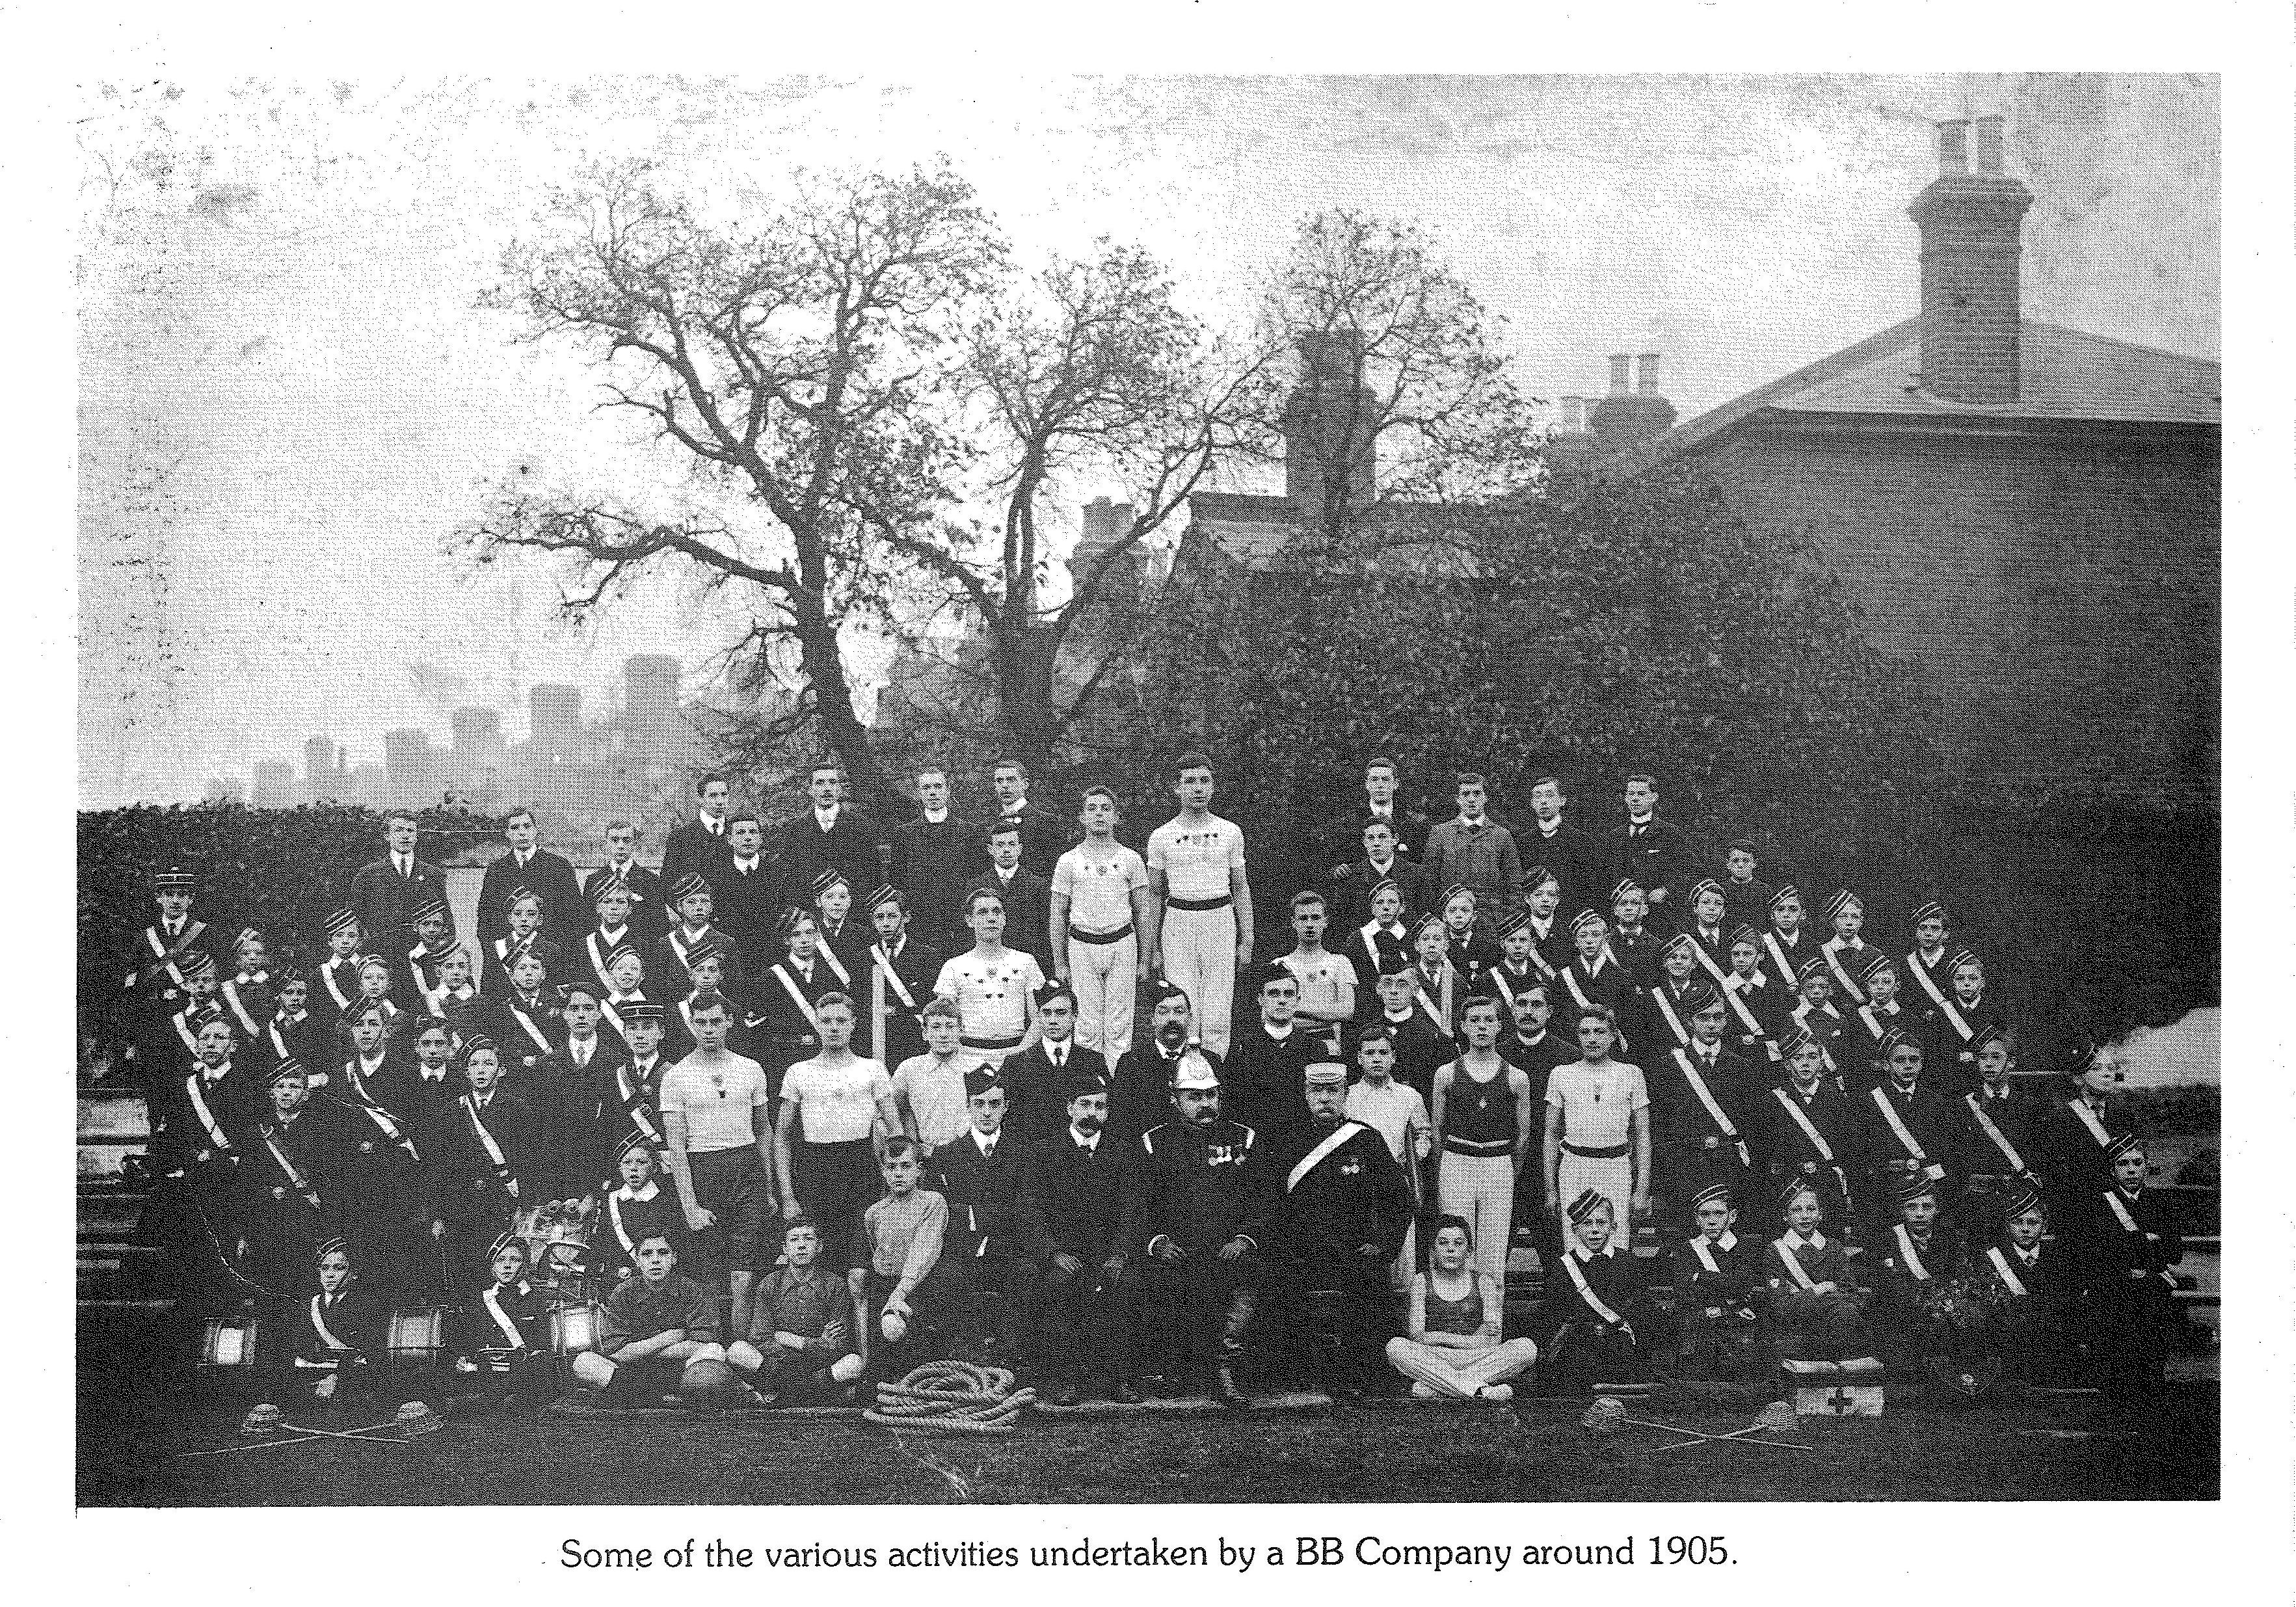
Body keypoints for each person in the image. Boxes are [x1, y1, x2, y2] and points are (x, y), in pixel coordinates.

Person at [1136, 1047, 1271, 1407]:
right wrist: (1156, 1238)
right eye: (1195, 1096)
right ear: (1176, 1096)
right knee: (1174, 1303)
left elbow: (1255, 1192)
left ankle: (1228, 1373)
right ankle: (1178, 1372)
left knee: (1234, 1304)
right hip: (1176, 1239)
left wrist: (1246, 1235)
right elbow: (1147, 1196)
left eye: (1212, 1093)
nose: (1206, 1104)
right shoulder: (1156, 1140)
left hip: (1227, 1238)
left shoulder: (1242, 1136)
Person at [1270, 1060, 1414, 1399]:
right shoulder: (1287, 1139)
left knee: (1364, 1318)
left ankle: (1366, 1385)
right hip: (1306, 1253)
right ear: (1305, 1094)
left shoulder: (1366, 1140)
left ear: (1347, 1093)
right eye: (1316, 1090)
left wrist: (1385, 1247)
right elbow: (1273, 1199)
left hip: (1359, 1254)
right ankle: (1303, 1382)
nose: (1325, 1099)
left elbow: (1397, 1197)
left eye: (1333, 1090)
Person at [1019, 1072, 1143, 1404]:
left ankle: (1110, 1380)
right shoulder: (1044, 1151)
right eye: (1083, 1103)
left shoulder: (1124, 1149)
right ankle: (1056, 1381)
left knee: (1118, 1302)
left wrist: (1119, 1252)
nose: (1091, 1112)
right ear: (1068, 1108)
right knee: (1056, 1305)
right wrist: (1056, 1252)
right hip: (1058, 1252)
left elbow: (1133, 1206)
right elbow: (1033, 1209)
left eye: (1100, 1105)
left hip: (1110, 1251)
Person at [660, 992, 777, 1336]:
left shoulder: (750, 1068)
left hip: (746, 1164)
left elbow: (765, 1131)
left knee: (751, 1255)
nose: (710, 1027)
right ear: (689, 1025)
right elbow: (677, 1141)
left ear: (730, 1021)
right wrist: (689, 1199)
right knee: (708, 1259)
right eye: (701, 1021)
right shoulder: (677, 1075)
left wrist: (774, 1185)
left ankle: (748, 1336)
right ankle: (709, 1341)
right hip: (701, 1168)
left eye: (717, 1019)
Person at [775, 993, 901, 1282]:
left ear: (853, 1025)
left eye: (840, 1020)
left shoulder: (872, 1069)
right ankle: (820, 1319)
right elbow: (785, 1127)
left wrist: (887, 1168)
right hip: (814, 1162)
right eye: (825, 1021)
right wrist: (786, 1181)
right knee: (815, 1248)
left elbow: (886, 1120)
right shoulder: (798, 1073)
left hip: (860, 1161)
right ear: (815, 1025)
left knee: (860, 1246)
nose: (833, 1027)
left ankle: (859, 1317)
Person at [1143, 751, 1253, 1060]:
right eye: (1190, 782)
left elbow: (1239, 885)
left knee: (1218, 1005)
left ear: (1213, 787)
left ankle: (1213, 1074)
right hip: (1178, 921)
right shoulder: (1162, 836)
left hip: (1219, 921)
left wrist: (1245, 936)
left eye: (1204, 782)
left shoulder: (1230, 832)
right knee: (1179, 1002)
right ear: (1178, 787)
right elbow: (1154, 894)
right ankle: (1178, 1074)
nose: (1198, 788)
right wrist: (1152, 943)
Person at [927, 1066, 1032, 1361]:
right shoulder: (946, 1155)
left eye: (996, 1104)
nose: (988, 1112)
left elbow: (1027, 1210)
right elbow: (938, 1214)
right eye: (979, 1105)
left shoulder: (1023, 1154)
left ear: (1006, 1106)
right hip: (958, 1253)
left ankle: (1011, 1365)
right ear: (967, 1106)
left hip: (1010, 1250)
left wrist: (998, 1239)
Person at [1430, 996, 1534, 1287]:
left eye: (1490, 1021)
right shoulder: (1446, 1073)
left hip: (1498, 1167)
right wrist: (1441, 1175)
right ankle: (1456, 1322)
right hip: (1456, 1164)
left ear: (1502, 1026)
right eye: (1474, 1021)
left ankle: (1492, 1326)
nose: (1481, 1029)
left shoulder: (1515, 1075)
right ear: (1461, 1025)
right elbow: (1438, 1127)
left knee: (1495, 1250)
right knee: (1454, 1243)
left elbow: (1523, 1133)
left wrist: (1512, 1174)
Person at [433, 1036, 549, 1291]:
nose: (482, 1071)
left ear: (501, 1069)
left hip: (514, 1200)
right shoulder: (451, 1109)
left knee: (513, 1267)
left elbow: (532, 1152)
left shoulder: (519, 1106)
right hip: (469, 1201)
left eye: (489, 1064)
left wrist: (521, 1187)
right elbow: (444, 1159)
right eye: (475, 1065)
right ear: (466, 1070)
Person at [1385, 1215, 1538, 1403]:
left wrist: (1442, 1339)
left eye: (1458, 1243)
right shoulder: (1422, 1281)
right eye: (1443, 1243)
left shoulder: (1484, 1283)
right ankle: (1480, 1389)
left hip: (1478, 1356)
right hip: (1435, 1356)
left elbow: (1493, 1337)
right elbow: (1416, 1334)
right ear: (1433, 1252)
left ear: (1469, 1251)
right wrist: (1463, 1343)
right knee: (1396, 1347)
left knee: (1526, 1348)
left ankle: (1441, 1386)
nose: (1450, 1249)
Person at [2075, 1133, 2183, 1395]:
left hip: (2152, 1289)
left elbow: (2173, 1246)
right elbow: (2096, 1248)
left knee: (2151, 1360)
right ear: (2113, 1168)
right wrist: (2145, 1243)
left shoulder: (2159, 1204)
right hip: (2115, 1289)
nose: (2133, 1171)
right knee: (2116, 1360)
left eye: (2138, 1163)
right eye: (2125, 1164)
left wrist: (2154, 1256)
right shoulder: (2100, 1203)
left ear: (2146, 1167)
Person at [1049, 785, 1152, 1060]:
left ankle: (1119, 1080)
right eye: (1092, 810)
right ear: (1082, 817)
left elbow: (1141, 908)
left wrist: (1143, 954)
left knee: (1122, 1016)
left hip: (1123, 944)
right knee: (1087, 1018)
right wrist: (1060, 959)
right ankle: (1090, 1086)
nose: (1099, 816)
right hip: (1082, 946)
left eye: (1106, 809)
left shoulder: (1131, 858)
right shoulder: (1068, 861)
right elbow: (1059, 912)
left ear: (1116, 815)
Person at [569, 1232, 730, 1406]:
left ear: (674, 1258)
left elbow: (704, 1338)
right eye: (647, 1254)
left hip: (679, 1366)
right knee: (584, 1361)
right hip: (635, 1370)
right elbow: (616, 1349)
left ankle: (637, 1395)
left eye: (663, 1253)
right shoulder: (623, 1292)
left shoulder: (694, 1290)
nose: (655, 1260)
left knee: (713, 1351)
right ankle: (651, 1393)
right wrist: (670, 1337)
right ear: (637, 1260)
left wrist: (644, 1348)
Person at [1540, 1004, 1651, 1253]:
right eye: (1586, 1032)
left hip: (1618, 1167)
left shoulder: (1632, 1075)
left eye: (1601, 1032)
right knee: (1575, 1247)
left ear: (1613, 1036)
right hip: (1574, 1166)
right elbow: (1551, 1135)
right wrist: (1550, 1186)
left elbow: (1642, 1136)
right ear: (1578, 1036)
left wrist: (1641, 1186)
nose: (1593, 1039)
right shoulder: (1561, 1074)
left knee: (1618, 1245)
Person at [234, 1056, 344, 1296]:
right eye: (279, 1087)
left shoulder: (322, 1128)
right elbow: (251, 1181)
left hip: (318, 1218)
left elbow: (337, 1174)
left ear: (304, 1091)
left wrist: (317, 1191)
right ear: (271, 1094)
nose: (285, 1092)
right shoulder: (261, 1134)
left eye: (293, 1086)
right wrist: (277, 1190)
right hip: (276, 1219)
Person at [728, 1217, 866, 1404]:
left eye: (808, 1238)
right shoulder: (770, 1283)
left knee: (854, 1363)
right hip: (776, 1362)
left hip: (818, 1363)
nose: (801, 1246)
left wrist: (799, 1342)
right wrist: (806, 1344)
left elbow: (837, 1342)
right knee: (739, 1350)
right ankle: (807, 1392)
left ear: (819, 1247)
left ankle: (783, 1391)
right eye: (794, 1240)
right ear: (785, 1249)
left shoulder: (834, 1283)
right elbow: (760, 1336)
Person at [1651, 993, 1756, 1232]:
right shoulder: (1671, 1063)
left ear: (1728, 1020)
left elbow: (1753, 1109)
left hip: (1736, 1156)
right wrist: (1698, 1139)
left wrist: (1742, 1140)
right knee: (1696, 1226)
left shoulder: (1744, 1058)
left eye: (1719, 1017)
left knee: (1740, 1222)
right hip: (1689, 1158)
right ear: (1688, 1021)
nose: (1711, 1024)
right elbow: (1665, 1115)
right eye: (1704, 1017)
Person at [1344, 1021, 1432, 1291]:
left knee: (1400, 1261)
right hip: (1356, 1185)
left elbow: (1423, 1141)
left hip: (1397, 1184)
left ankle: (1406, 1322)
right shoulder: (1348, 1096)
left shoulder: (1409, 1096)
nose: (1377, 1061)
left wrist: (1413, 1157)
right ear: (1359, 1057)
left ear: (1394, 1057)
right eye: (1370, 1054)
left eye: (1384, 1054)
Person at [263, 1236, 392, 1417]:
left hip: (350, 1379)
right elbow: (295, 1349)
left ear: (353, 1274)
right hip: (308, 1377)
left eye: (339, 1268)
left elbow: (367, 1353)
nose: (330, 1275)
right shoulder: (310, 1305)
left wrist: (336, 1379)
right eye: (325, 1268)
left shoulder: (365, 1306)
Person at [857, 1137, 950, 1378]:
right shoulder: (874, 1211)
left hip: (919, 1289)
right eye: (890, 1167)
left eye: (906, 1166)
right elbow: (871, 1255)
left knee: (893, 1328)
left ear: (919, 1168)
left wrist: (897, 1300)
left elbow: (923, 1255)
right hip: (880, 1288)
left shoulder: (933, 1202)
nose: (898, 1174)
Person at [1756, 1027, 1860, 1233]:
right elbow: (1768, 1143)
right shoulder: (1774, 1098)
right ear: (1786, 1064)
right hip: (1788, 1178)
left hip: (1831, 1178)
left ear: (1821, 1060)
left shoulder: (1837, 1094)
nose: (1806, 1063)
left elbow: (1849, 1140)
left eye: (1812, 1056)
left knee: (1835, 1234)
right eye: (1798, 1057)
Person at [1870, 1174, 1971, 1386]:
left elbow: (1961, 1273)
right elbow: (1889, 1283)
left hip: (1946, 1305)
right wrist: (1930, 1298)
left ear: (1937, 1209)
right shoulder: (1890, 1241)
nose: (1920, 1215)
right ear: (1901, 1211)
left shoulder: (1950, 1237)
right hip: (1904, 1310)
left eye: (1927, 1207)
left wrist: (1950, 1297)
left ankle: (1955, 1372)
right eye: (1912, 1208)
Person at [1543, 1189, 1648, 1390]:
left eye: (1601, 1223)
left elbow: (1639, 1308)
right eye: (1586, 1223)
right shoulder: (1563, 1267)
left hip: (1621, 1349)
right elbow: (1555, 1315)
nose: (1594, 1230)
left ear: (1614, 1226)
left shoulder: (1627, 1262)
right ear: (1574, 1230)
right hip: (1579, 1352)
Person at [1757, 1177, 1871, 1362]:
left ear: (1820, 1215)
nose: (1805, 1217)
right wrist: (1821, 1292)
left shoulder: (1834, 1247)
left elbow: (1851, 1290)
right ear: (1786, 1217)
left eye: (1811, 1210)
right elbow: (1779, 1299)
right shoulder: (1776, 1251)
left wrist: (1811, 1294)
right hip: (1796, 1339)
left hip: (1840, 1340)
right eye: (1797, 1211)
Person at [1964, 1183, 2068, 1384]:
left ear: (2045, 1225)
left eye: (2034, 1222)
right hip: (2007, 1350)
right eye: (2018, 1222)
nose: (2026, 1230)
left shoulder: (2061, 1257)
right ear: (2006, 1225)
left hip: (2055, 1348)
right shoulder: (1991, 1258)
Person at [933, 889, 1046, 1070]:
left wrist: (1022, 1051)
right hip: (967, 1057)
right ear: (970, 921)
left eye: (997, 911)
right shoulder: (954, 967)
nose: (992, 918)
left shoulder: (1025, 961)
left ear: (1005, 919)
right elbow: (942, 1019)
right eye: (983, 912)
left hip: (1018, 1056)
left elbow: (1038, 1016)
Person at [1854, 1031, 1957, 1226]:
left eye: (1914, 1059)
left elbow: (1950, 1142)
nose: (1909, 1066)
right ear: (1886, 1065)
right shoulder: (1871, 1102)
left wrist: (1936, 1170)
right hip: (1893, 1187)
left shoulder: (1936, 1097)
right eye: (1900, 1060)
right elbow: (1868, 1151)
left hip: (1938, 1185)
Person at [449, 1230, 557, 1413]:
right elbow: (468, 1335)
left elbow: (546, 1338)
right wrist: (466, 1359)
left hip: (525, 1372)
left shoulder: (536, 1298)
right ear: (492, 1266)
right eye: (501, 1260)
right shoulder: (481, 1300)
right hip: (486, 1370)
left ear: (523, 1265)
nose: (507, 1266)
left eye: (514, 1260)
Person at [997, 983, 1108, 1148]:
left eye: (1061, 1013)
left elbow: (1105, 1114)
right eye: (1046, 1013)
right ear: (1038, 1017)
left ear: (1075, 1016)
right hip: (1034, 1159)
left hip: (1080, 1156)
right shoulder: (1017, 1064)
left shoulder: (1093, 1061)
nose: (1053, 1021)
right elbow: (1008, 1122)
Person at [1222, 961, 1324, 1142]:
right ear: (1261, 999)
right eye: (1273, 994)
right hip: (1255, 1144)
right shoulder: (1244, 1046)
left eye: (1289, 994)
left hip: (1302, 1140)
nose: (1282, 1000)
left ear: (1298, 1000)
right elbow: (1231, 1102)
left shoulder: (1313, 1047)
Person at [1670, 1182, 1761, 1381]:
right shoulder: (1685, 1250)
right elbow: (1686, 1291)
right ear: (1696, 1218)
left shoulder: (1747, 1248)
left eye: (1718, 1214)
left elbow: (1747, 1283)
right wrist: (1730, 1283)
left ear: (1732, 1217)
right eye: (1704, 1214)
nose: (1711, 1221)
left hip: (1739, 1321)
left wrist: (1702, 1278)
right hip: (1699, 1322)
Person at [1950, 1029, 2044, 1224]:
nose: (1989, 1064)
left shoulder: (2029, 1104)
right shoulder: (1964, 1106)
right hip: (1985, 1197)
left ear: (2011, 1063)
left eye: (1996, 1057)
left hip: (2032, 1196)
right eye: (1983, 1058)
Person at [889, 764, 977, 952]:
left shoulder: (967, 832)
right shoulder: (905, 833)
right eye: (926, 788)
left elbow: (975, 875)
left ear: (948, 790)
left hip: (959, 917)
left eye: (938, 786)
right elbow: (897, 878)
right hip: (920, 917)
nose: (933, 793)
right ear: (919, 794)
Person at [777, 759, 885, 908]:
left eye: (832, 782)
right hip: (810, 919)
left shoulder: (861, 827)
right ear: (810, 789)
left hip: (854, 916)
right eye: (820, 783)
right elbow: (789, 880)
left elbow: (872, 875)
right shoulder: (794, 831)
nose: (826, 788)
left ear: (841, 789)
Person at [347, 811, 452, 964]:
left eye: (410, 830)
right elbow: (357, 919)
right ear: (387, 836)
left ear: (417, 835)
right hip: (380, 957)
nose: (405, 836)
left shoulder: (433, 874)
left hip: (423, 955)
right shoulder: (368, 875)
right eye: (398, 830)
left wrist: (427, 949)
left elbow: (446, 920)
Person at [478, 806, 585, 951]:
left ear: (535, 830)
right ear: (508, 833)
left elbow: (573, 917)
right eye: (515, 828)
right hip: (508, 958)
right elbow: (487, 922)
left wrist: (548, 951)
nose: (522, 833)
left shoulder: (559, 867)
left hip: (551, 957)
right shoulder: (496, 871)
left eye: (527, 826)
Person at [591, 1131, 686, 1292]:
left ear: (653, 1167)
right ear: (620, 1168)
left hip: (667, 1279)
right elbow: (606, 1241)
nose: (634, 1169)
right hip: (626, 1278)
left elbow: (676, 1239)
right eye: (627, 1163)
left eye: (641, 1162)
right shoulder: (613, 1200)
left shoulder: (666, 1197)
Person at [755, 909, 838, 1094]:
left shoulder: (833, 975)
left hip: (829, 1059)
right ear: (786, 940)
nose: (804, 940)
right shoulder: (771, 977)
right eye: (796, 934)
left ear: (818, 935)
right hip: (788, 1059)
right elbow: (765, 1027)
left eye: (810, 933)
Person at [862, 885, 941, 1072]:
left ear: (905, 917)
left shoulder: (926, 955)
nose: (886, 923)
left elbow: (933, 1002)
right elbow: (861, 1000)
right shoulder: (866, 957)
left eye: (892, 916)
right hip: (874, 1041)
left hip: (913, 1041)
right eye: (879, 918)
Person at [1365, 949, 1452, 1113]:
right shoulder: (1367, 1032)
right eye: (1387, 983)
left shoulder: (1434, 1033)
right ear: (1378, 989)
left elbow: (1446, 1088)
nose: (1394, 991)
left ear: (1415, 989)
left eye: (1402, 984)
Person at [890, 995, 975, 1161]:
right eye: (936, 1027)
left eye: (950, 1027)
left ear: (960, 1031)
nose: (943, 1034)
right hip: (922, 1157)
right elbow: (897, 1110)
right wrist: (913, 1143)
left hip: (966, 1155)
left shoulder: (974, 1067)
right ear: (925, 1033)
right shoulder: (909, 1068)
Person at [965, 820, 1054, 975]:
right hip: (986, 963)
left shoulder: (1038, 884)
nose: (1006, 850)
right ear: (990, 849)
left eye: (1011, 844)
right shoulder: (976, 885)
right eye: (1000, 845)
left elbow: (1046, 930)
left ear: (1019, 849)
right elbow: (968, 930)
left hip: (1028, 964)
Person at [1421, 773, 1523, 910]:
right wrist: (1438, 916)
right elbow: (1429, 880)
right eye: (1465, 794)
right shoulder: (1440, 833)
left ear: (1485, 798)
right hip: (1451, 916)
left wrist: (1509, 912)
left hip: (1491, 915)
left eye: (1477, 793)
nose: (1471, 799)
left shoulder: (1502, 835)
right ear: (1457, 799)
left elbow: (1513, 881)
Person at [1277, 891, 1358, 1058]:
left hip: (1329, 1044)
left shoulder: (1340, 962)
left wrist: (1294, 1009)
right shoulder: (1280, 964)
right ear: (1293, 923)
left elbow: (1347, 1011)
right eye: (1303, 919)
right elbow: (1270, 1013)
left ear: (1325, 922)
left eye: (1315, 918)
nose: (1309, 925)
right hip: (1287, 1043)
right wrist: (1325, 1014)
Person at [1921, 951, 2005, 1096]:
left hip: (1986, 1085)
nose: (1966, 983)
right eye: (1960, 978)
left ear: (1983, 982)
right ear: (1953, 983)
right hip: (1950, 1086)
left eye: (1972, 978)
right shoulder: (1941, 1015)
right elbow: (1935, 1053)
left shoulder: (1995, 1013)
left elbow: (2002, 1050)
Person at [658, 774, 738, 927]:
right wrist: (684, 916)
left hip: (732, 921)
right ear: (701, 799)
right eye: (713, 796)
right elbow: (667, 882)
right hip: (694, 922)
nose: (720, 801)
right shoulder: (682, 836)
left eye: (723, 795)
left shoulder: (738, 832)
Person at [656, 874, 747, 1006]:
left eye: (704, 901)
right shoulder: (665, 944)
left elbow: (736, 988)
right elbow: (662, 990)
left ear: (711, 907)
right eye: (692, 902)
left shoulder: (726, 943)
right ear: (680, 907)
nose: (699, 907)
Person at [1607, 773, 1689, 915]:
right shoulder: (1614, 835)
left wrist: (1666, 890)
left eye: (1642, 794)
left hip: (1659, 910)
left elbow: (1683, 869)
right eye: (1631, 794)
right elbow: (1609, 871)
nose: (1635, 799)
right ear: (1626, 798)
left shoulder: (1670, 832)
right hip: (1622, 909)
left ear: (1654, 797)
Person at [1521, 776, 1599, 920]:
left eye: (1549, 795)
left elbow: (1591, 886)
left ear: (1562, 801)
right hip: (1533, 923)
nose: (1543, 802)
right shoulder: (1524, 843)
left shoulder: (1580, 840)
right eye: (1538, 796)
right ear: (1532, 803)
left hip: (1573, 920)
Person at [1331, 817, 1426, 937]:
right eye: (1371, 838)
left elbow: (1420, 916)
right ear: (1364, 842)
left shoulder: (1416, 874)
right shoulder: (1350, 875)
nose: (1376, 843)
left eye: (1382, 837)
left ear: (1395, 839)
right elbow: (1343, 919)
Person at [582, 819, 667, 949]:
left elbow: (659, 925)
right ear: (606, 845)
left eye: (627, 840)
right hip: (601, 949)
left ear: (635, 845)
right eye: (615, 840)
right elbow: (587, 923)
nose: (621, 846)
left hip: (640, 951)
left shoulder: (651, 880)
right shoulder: (594, 880)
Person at [1341, 876, 1413, 1024]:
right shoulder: (1357, 939)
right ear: (1372, 908)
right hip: (1364, 1016)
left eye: (1392, 902)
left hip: (1407, 1016)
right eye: (1380, 902)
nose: (1385, 907)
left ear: (1402, 907)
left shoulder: (1411, 938)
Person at [713, 814, 782, 967]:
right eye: (740, 833)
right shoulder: (718, 875)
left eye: (753, 832)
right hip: (731, 957)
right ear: (730, 839)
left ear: (761, 838)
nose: (748, 838)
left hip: (771, 955)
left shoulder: (776, 873)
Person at [985, 755, 1069, 877]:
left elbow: (1054, 867)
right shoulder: (987, 822)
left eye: (1011, 780)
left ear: (1025, 784)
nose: (1005, 785)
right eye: (1000, 781)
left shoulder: (1047, 821)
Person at [808, 866, 865, 990]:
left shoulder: (863, 934)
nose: (837, 902)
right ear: (818, 901)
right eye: (830, 897)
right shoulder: (810, 933)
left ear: (850, 901)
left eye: (843, 897)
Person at [1817, 889, 1875, 1008]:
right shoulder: (1822, 954)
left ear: (1862, 921)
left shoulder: (1873, 953)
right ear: (1833, 921)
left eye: (1854, 917)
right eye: (1843, 916)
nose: (1849, 922)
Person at [1759, 885, 1819, 996]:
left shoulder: (1812, 942)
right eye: (1780, 909)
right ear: (1772, 915)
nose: (1786, 914)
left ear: (1803, 914)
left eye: (1793, 909)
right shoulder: (1763, 943)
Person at [1718, 840, 1774, 942]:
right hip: (1727, 942)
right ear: (1728, 864)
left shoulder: (1765, 890)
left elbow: (1770, 922)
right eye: (1736, 860)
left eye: (1746, 860)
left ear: (1754, 864)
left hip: (1758, 944)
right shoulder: (1720, 889)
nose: (1741, 865)